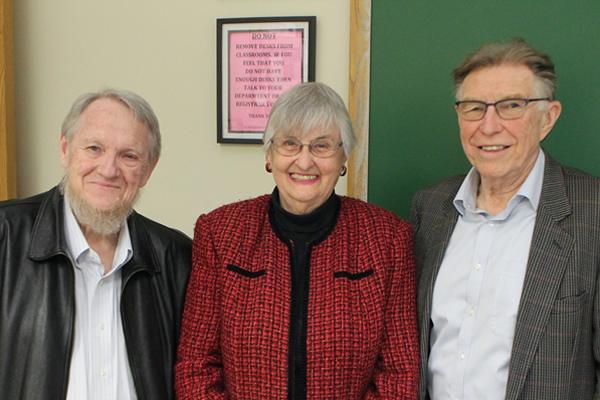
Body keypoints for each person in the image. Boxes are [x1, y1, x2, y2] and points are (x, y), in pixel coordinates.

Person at [176, 82, 419, 399]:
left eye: (321, 146)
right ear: (269, 155)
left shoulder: (387, 239)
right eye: (290, 144)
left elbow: (399, 373)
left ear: (343, 157)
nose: (304, 162)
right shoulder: (220, 233)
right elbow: (196, 367)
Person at [411, 38, 600, 400]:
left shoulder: (592, 213)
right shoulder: (431, 207)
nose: (489, 126)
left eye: (511, 106)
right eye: (474, 108)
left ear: (548, 117)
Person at [0, 89, 191, 399]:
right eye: (94, 148)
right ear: (65, 149)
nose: (108, 169)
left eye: (128, 155)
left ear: (149, 168)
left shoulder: (176, 258)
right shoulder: (5, 236)